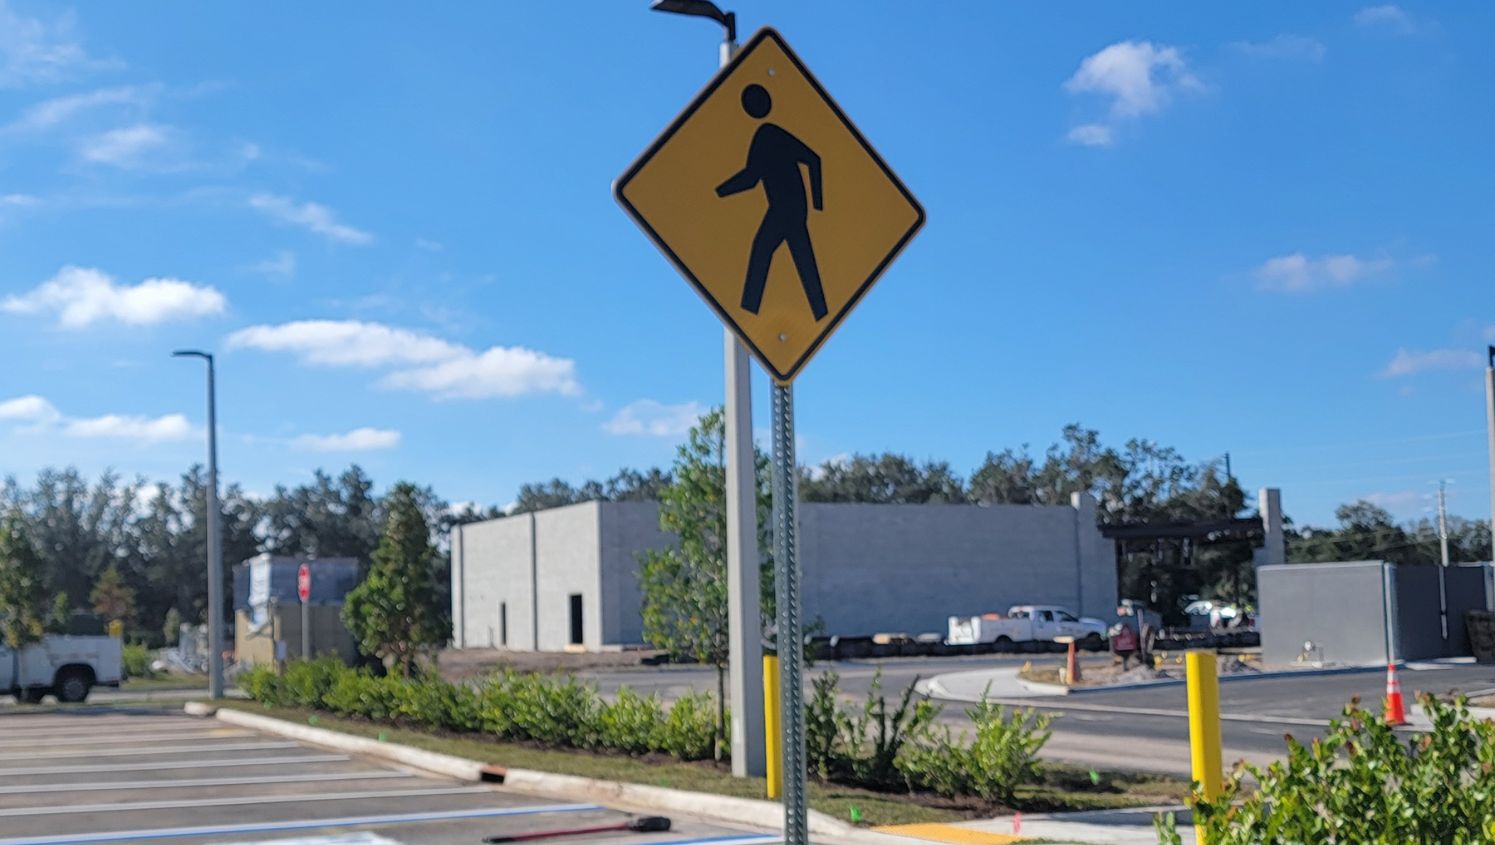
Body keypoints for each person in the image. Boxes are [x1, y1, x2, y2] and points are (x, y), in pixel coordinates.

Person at [716, 83, 828, 321]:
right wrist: (720, 192)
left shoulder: (769, 134)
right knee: (802, 262)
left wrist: (819, 204)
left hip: (786, 208)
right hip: (789, 209)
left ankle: (749, 312)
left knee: (763, 251)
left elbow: (814, 159)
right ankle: (820, 313)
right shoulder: (766, 135)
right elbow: (751, 178)